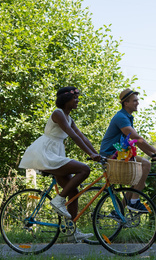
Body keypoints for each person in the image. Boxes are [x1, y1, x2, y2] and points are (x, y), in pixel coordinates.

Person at [19, 86, 101, 242]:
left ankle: (71, 230)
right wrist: (90, 155)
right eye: (74, 98)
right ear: (65, 99)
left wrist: (97, 153)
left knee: (74, 191)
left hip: (55, 152)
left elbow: (82, 137)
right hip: (46, 152)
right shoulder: (58, 114)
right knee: (84, 169)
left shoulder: (70, 118)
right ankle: (58, 200)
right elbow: (73, 136)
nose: (77, 101)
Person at [100, 88, 156, 212]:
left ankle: (119, 210)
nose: (138, 103)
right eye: (135, 101)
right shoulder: (121, 117)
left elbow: (135, 141)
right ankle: (134, 201)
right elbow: (137, 138)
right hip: (111, 154)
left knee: (136, 179)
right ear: (126, 103)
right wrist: (155, 151)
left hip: (118, 152)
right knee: (145, 164)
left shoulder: (127, 117)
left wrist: (152, 154)